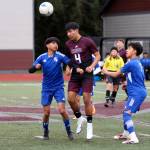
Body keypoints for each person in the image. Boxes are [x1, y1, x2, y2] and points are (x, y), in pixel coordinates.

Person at [28, 37, 74, 140]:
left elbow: (70, 62)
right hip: (46, 88)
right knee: (46, 113)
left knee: (62, 110)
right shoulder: (42, 57)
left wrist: (69, 68)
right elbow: (30, 70)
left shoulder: (60, 56)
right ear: (47, 45)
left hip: (58, 87)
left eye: (57, 43)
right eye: (53, 43)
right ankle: (45, 131)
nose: (56, 45)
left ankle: (69, 131)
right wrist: (36, 67)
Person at [102, 42, 147, 144]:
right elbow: (138, 77)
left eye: (129, 48)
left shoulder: (130, 63)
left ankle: (133, 138)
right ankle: (126, 133)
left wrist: (105, 71)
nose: (126, 50)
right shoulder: (137, 62)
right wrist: (127, 83)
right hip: (137, 92)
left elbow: (116, 74)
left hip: (136, 93)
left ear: (134, 51)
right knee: (126, 112)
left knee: (127, 114)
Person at [64, 22, 100, 140]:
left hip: (87, 75)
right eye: (67, 32)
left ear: (76, 30)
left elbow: (98, 55)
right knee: (70, 99)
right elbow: (69, 59)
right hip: (75, 75)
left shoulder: (87, 41)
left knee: (86, 98)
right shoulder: (68, 44)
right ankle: (80, 118)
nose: (69, 34)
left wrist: (92, 66)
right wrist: (68, 69)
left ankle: (90, 126)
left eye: (70, 31)